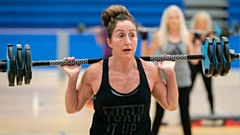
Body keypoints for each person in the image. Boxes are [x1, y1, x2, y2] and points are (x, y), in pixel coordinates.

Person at [61, 5, 178, 135]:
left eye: (132, 35)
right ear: (109, 41)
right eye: (121, 35)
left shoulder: (150, 70)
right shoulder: (95, 73)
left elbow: (171, 104)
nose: (127, 41)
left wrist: (169, 73)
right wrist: (72, 78)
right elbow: (72, 107)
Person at [140, 5, 198, 135]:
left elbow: (194, 60)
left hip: (183, 80)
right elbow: (145, 57)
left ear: (180, 19)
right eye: (171, 17)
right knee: (159, 114)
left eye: (176, 17)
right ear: (166, 19)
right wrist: (144, 39)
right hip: (164, 81)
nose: (174, 20)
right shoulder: (159, 36)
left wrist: (198, 42)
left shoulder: (186, 36)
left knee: (184, 114)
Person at [189, 11, 215, 115]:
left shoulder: (210, 34)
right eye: (199, 22)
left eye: (203, 22)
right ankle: (184, 111)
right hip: (193, 64)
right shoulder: (192, 34)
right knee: (189, 88)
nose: (201, 24)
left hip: (206, 64)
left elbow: (212, 49)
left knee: (209, 88)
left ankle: (212, 110)